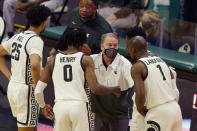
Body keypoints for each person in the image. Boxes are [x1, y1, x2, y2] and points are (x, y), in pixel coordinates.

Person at [34, 27, 120, 131]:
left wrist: (43, 106)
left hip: (60, 107)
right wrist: (114, 89)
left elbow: (38, 91)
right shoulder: (86, 59)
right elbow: (95, 89)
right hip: (79, 107)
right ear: (83, 43)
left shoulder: (52, 61)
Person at [0, 5, 51, 131]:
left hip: (13, 87)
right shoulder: (36, 40)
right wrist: (38, 85)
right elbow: (34, 65)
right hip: (26, 91)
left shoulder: (18, 36)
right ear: (44, 22)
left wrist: (9, 76)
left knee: (26, 126)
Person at [126, 36, 182, 130]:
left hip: (159, 111)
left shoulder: (137, 67)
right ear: (146, 45)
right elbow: (172, 78)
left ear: (132, 49)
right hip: (175, 109)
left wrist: (140, 108)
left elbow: (140, 94)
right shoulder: (160, 59)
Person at [90, 33, 134, 131]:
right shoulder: (92, 60)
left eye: (115, 45)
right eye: (109, 45)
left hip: (118, 114)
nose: (112, 48)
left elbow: (133, 87)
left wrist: (128, 103)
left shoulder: (125, 64)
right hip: (97, 111)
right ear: (102, 46)